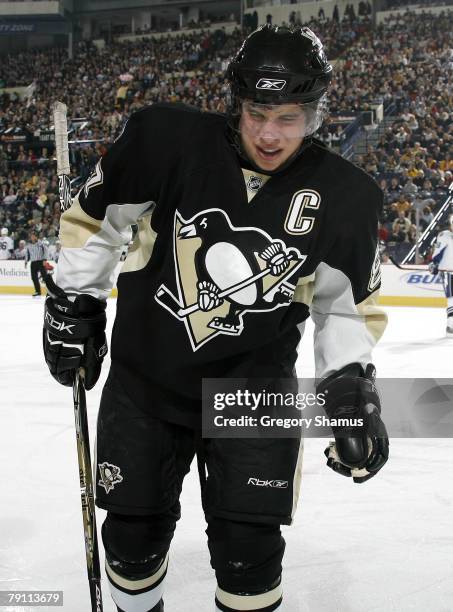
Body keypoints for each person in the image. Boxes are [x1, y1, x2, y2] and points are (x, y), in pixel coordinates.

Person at [43, 25, 389, 612]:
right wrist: (75, 301)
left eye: (289, 115)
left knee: (248, 556)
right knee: (129, 541)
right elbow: (98, 223)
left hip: (253, 394)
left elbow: (342, 304)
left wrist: (351, 388)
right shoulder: (167, 140)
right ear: (237, 103)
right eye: (257, 112)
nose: (270, 133)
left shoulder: (347, 195)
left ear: (315, 112)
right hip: (147, 376)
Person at [429, 215, 453, 335]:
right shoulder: (445, 236)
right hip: (448, 272)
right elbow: (437, 253)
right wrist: (434, 263)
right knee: (451, 298)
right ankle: (450, 325)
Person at [25, 231, 53, 297]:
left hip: (41, 261)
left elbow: (46, 251)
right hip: (33, 262)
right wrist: (26, 261)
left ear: (36, 236)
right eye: (31, 236)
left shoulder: (41, 243)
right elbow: (27, 253)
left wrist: (44, 260)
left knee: (45, 277)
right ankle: (38, 291)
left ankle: (51, 291)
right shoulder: (29, 245)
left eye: (33, 236)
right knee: (34, 277)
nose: (32, 237)